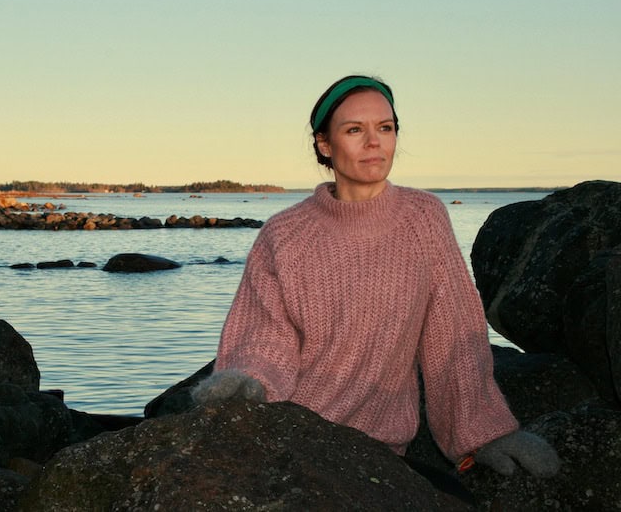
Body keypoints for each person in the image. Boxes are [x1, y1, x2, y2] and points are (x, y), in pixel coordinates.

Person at [192, 75, 560, 485]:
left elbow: (453, 335)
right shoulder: (284, 234)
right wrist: (249, 383)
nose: (375, 142)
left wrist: (483, 434)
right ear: (324, 145)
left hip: (377, 450)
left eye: (385, 128)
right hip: (292, 432)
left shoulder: (423, 218)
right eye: (355, 130)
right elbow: (265, 334)